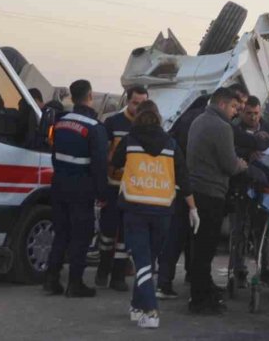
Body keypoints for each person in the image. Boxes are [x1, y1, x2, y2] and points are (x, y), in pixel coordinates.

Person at [110, 100, 200, 329]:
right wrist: (193, 208)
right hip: (163, 210)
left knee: (141, 260)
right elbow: (183, 177)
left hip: (135, 207)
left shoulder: (130, 141)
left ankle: (150, 311)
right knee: (148, 260)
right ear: (159, 117)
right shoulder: (170, 144)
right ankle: (137, 305)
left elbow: (115, 163)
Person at [43, 79, 108, 297]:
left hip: (59, 184)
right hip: (81, 187)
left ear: (72, 97)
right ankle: (75, 283)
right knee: (81, 234)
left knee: (61, 232)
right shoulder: (94, 127)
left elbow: (53, 153)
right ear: (90, 96)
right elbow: (99, 164)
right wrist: (102, 193)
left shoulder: (60, 122)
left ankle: (51, 279)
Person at [186, 87, 247, 315]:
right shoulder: (222, 127)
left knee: (198, 247)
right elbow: (230, 165)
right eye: (233, 107)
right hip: (211, 193)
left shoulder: (199, 120)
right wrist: (243, 164)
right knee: (206, 249)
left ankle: (201, 289)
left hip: (196, 191)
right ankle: (200, 299)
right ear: (222, 104)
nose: (235, 112)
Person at [97, 85, 149, 292]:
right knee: (108, 232)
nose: (139, 108)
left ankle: (118, 275)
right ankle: (103, 268)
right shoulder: (113, 123)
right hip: (113, 186)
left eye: (143, 104)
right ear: (128, 101)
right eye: (136, 103)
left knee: (125, 236)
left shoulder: (146, 127)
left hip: (133, 190)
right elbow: (103, 155)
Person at [157, 94, 209, 297]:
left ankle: (164, 280)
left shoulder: (180, 121)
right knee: (190, 234)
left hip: (176, 185)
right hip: (195, 184)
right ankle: (187, 276)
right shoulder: (203, 121)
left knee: (174, 236)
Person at [230, 95, 269, 288]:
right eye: (249, 113)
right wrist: (247, 154)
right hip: (240, 186)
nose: (253, 117)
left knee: (263, 232)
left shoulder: (267, 129)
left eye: (256, 113)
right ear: (242, 112)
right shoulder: (233, 129)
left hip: (262, 187)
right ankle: (239, 271)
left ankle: (265, 270)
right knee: (239, 230)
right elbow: (229, 151)